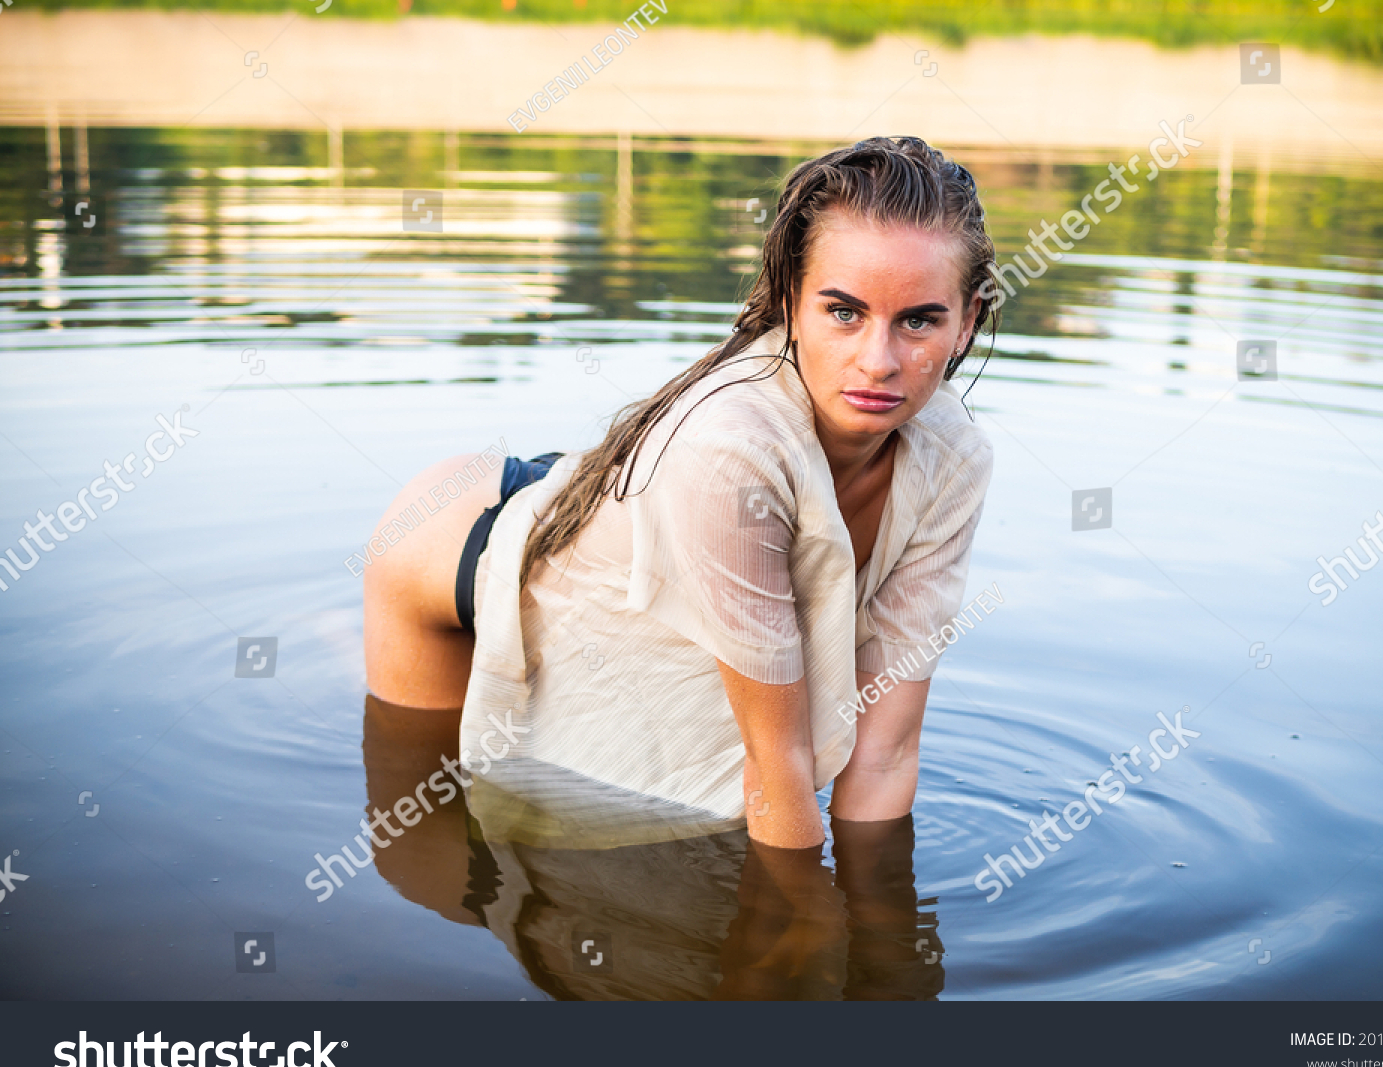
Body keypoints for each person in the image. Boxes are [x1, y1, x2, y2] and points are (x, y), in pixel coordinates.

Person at [364, 135, 997, 850]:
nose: (878, 361)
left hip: (612, 512)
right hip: (459, 556)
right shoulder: (730, 451)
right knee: (440, 819)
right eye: (843, 312)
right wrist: (816, 946)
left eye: (919, 320)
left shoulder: (953, 458)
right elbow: (776, 766)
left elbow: (885, 752)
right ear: (791, 298)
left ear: (967, 319)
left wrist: (882, 944)